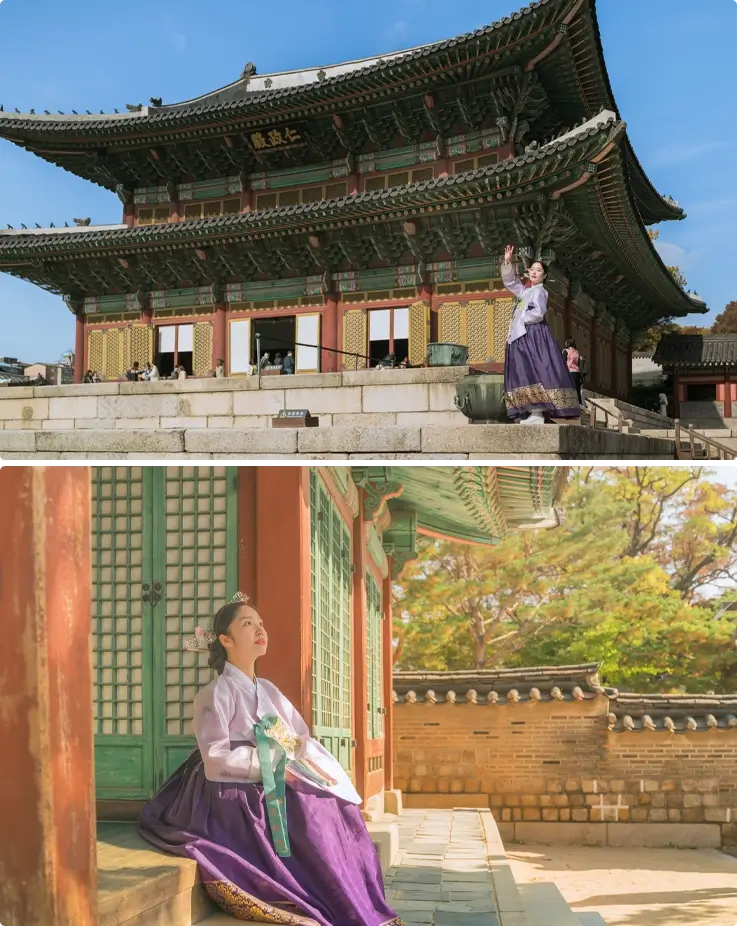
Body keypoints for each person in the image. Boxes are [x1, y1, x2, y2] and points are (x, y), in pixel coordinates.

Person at [139, 594, 404, 926]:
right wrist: (271, 765)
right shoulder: (214, 693)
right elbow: (216, 758)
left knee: (333, 802)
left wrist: (300, 762)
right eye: (247, 624)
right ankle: (316, 895)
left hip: (277, 767)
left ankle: (352, 901)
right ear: (226, 640)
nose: (259, 629)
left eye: (260, 623)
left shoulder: (268, 689)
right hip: (231, 783)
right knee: (307, 809)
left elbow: (299, 735)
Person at [501, 245, 580, 424]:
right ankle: (532, 411)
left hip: (533, 335)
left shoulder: (540, 291)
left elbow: (538, 313)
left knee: (536, 368)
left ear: (544, 275)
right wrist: (507, 262)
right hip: (522, 335)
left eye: (539, 270)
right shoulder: (526, 291)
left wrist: (520, 319)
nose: (535, 272)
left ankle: (538, 411)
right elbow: (511, 283)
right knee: (525, 370)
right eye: (532, 269)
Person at [562, 338, 583, 403]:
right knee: (577, 390)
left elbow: (562, 361)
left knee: (568, 389)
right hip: (577, 373)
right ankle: (579, 404)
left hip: (569, 372)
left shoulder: (566, 351)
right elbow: (579, 363)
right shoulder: (577, 352)